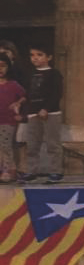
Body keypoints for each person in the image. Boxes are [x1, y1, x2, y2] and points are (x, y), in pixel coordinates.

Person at [18, 45, 64, 184]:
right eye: (32, 55)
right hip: (33, 113)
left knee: (52, 143)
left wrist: (46, 108)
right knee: (32, 144)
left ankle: (55, 171)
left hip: (51, 113)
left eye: (39, 54)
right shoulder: (30, 74)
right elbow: (28, 92)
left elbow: (56, 93)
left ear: (49, 57)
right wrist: (20, 103)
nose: (35, 58)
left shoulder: (54, 73)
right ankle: (32, 171)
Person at [0, 54, 26, 183]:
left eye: (3, 66)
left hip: (7, 120)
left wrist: (18, 103)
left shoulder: (13, 84)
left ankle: (8, 171)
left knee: (5, 145)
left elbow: (24, 95)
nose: (0, 69)